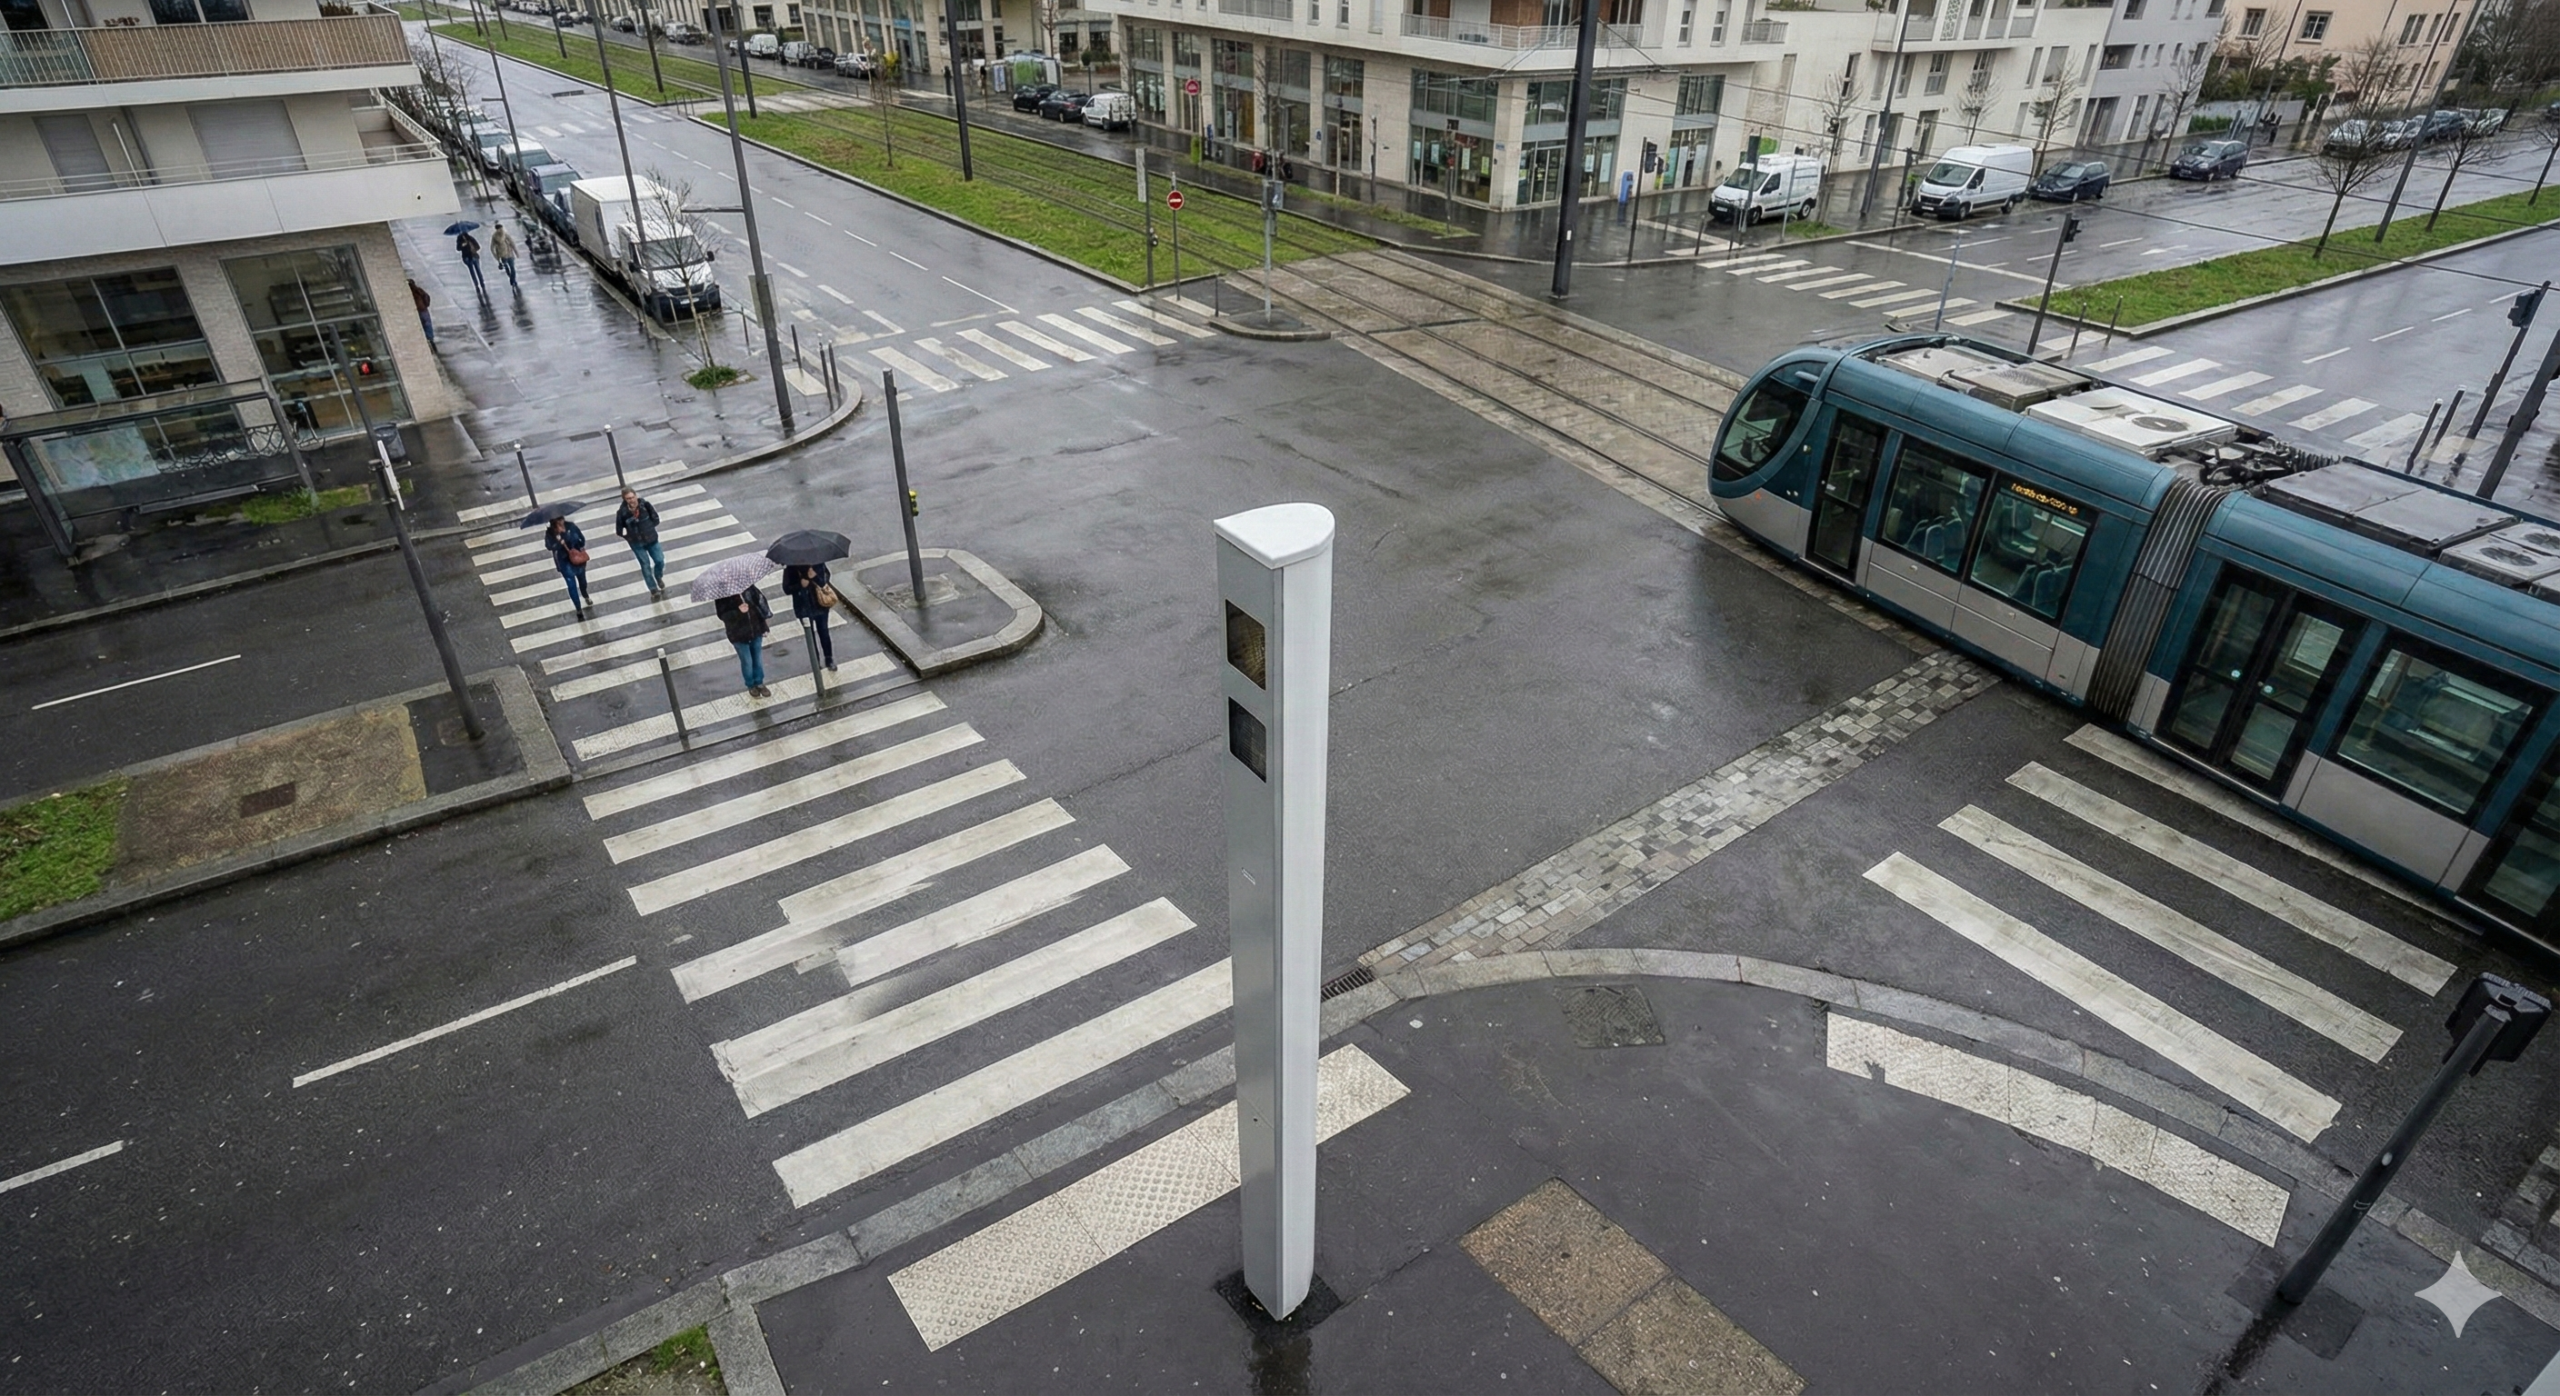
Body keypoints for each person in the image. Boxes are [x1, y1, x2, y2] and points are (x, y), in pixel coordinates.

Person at [718, 583, 772, 697]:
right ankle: (751, 685)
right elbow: (722, 615)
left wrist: (763, 625)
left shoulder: (749, 588)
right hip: (738, 635)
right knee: (747, 661)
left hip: (755, 630)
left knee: (757, 658)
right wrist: (738, 611)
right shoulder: (723, 596)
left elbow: (759, 604)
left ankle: (760, 682)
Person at [783, 562, 837, 671]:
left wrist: (815, 577)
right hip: (803, 607)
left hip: (819, 604)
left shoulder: (818, 564)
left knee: (824, 632)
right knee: (810, 636)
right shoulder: (791, 568)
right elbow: (787, 589)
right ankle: (815, 661)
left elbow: (825, 580)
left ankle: (829, 658)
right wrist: (801, 584)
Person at [615, 488, 666, 597]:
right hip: (637, 543)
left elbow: (655, 519)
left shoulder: (645, 505)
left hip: (651, 539)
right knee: (645, 565)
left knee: (660, 560)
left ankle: (658, 576)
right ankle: (653, 589)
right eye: (628, 499)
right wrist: (630, 536)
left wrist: (648, 527)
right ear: (624, 499)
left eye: (632, 497)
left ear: (636, 496)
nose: (631, 500)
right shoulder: (622, 513)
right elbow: (619, 530)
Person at [545, 514, 592, 618]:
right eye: (558, 519)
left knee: (582, 581)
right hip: (564, 562)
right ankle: (578, 608)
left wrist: (570, 539)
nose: (561, 521)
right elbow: (549, 546)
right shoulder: (551, 533)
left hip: (577, 559)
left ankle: (585, 594)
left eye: (562, 518)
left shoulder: (571, 526)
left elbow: (581, 539)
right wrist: (558, 543)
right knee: (571, 586)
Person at [456, 228, 486, 295]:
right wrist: (462, 245)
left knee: (478, 271)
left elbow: (478, 247)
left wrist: (471, 246)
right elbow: (458, 248)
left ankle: (481, 283)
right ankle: (477, 284)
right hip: (467, 258)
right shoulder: (460, 241)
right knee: (473, 271)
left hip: (473, 256)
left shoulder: (470, 238)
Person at [491, 223, 519, 288]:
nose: (501, 230)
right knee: (507, 268)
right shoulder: (495, 237)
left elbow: (512, 243)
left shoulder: (506, 235)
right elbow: (492, 247)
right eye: (499, 229)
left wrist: (516, 252)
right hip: (502, 255)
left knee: (512, 268)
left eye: (501, 228)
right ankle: (511, 278)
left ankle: (513, 280)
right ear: (497, 230)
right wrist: (496, 256)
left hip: (509, 253)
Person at [411, 279, 434, 345]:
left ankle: (427, 339)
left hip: (419, 311)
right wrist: (426, 305)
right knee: (427, 324)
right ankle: (430, 339)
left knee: (422, 325)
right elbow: (427, 297)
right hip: (424, 310)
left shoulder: (412, 293)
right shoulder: (419, 290)